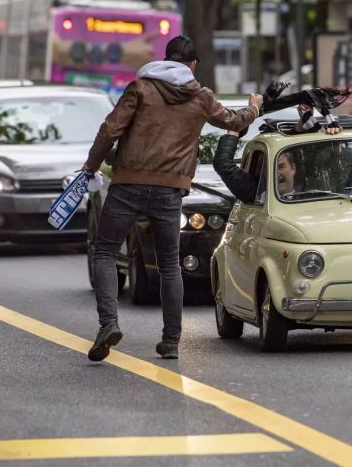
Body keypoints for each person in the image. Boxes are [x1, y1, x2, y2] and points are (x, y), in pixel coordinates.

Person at [82, 35, 262, 362]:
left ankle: (108, 323)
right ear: (193, 65)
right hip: (170, 189)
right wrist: (253, 108)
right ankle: (170, 342)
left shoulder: (141, 88)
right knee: (169, 264)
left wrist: (91, 166)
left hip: (128, 182)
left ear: (165, 59)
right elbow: (233, 122)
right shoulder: (201, 97)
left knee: (105, 251)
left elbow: (110, 129)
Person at [213, 104, 340, 203]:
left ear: (294, 168)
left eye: (281, 166)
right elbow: (223, 164)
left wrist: (334, 140)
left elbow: (331, 164)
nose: (276, 173)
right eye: (269, 167)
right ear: (262, 172)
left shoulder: (312, 191)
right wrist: (235, 126)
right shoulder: (255, 192)